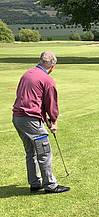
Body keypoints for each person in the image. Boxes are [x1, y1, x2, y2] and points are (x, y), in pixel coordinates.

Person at [12, 51, 70, 193]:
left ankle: (35, 183)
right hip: (30, 120)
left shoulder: (27, 74)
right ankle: (50, 185)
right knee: (44, 152)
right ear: (52, 66)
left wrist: (46, 120)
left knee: (30, 151)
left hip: (18, 118)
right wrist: (53, 121)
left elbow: (34, 100)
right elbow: (51, 104)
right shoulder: (47, 80)